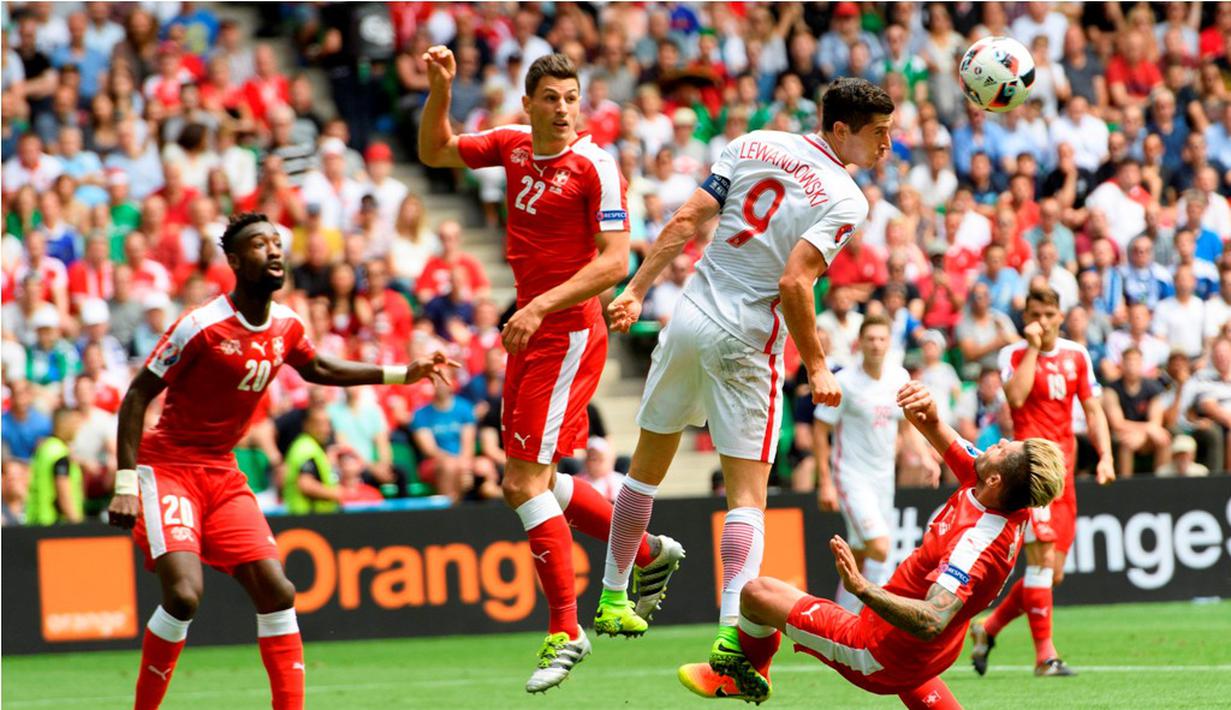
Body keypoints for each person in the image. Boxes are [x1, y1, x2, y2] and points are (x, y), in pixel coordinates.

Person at [594, 77, 894, 692]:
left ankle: (612, 595)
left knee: (644, 469)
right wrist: (814, 364)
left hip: (688, 318)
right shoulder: (844, 196)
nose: (887, 144)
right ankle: (733, 633)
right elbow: (793, 284)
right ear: (841, 130)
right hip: (746, 341)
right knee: (747, 498)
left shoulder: (754, 143)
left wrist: (636, 289)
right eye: (878, 133)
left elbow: (687, 218)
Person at [105, 213, 457, 710]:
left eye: (277, 243)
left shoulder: (287, 324)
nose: (273, 251)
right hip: (170, 469)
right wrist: (125, 483)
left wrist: (403, 372)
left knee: (278, 591)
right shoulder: (201, 326)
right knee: (184, 595)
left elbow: (318, 367)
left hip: (222, 471)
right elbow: (136, 398)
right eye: (258, 245)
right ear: (233, 261)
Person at [418, 49, 682, 692]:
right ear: (529, 104)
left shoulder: (595, 165)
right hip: (532, 330)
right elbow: (436, 152)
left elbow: (615, 261)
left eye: (572, 97)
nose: (563, 109)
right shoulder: (510, 145)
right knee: (538, 478)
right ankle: (648, 552)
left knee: (521, 483)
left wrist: (536, 306)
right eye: (552, 98)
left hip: (564, 333)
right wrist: (440, 88)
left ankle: (565, 628)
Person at [700, 381, 1066, 707]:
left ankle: (746, 673)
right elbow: (935, 427)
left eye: (1004, 449)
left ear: (997, 480)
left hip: (876, 651)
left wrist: (862, 588)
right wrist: (923, 406)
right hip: (928, 655)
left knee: (755, 593)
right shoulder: (997, 492)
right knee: (912, 665)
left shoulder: (975, 543)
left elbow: (931, 619)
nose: (999, 442)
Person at [972, 286, 1115, 678]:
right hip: (1031, 473)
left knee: (1052, 573)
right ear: (1026, 318)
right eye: (1035, 314)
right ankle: (1045, 657)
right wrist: (1033, 348)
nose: (1043, 322)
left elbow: (1092, 409)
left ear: (1060, 315)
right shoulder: (1013, 354)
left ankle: (988, 628)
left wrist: (1105, 456)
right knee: (1041, 562)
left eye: (1050, 314)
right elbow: (1015, 399)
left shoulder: (1077, 354)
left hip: (1064, 476)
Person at [813, 315, 938, 613]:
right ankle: (875, 617)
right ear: (859, 343)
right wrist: (826, 482)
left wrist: (925, 457)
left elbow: (906, 427)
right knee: (881, 547)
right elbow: (821, 430)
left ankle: (840, 617)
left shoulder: (899, 378)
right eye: (870, 339)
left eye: (882, 339)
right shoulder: (844, 382)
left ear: (889, 343)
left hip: (884, 479)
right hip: (851, 477)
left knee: (859, 554)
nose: (876, 345)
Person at [25, 408, 85, 526]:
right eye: (75, 424)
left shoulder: (45, 448)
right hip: (55, 524)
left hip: (37, 519)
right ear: (65, 425)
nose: (78, 429)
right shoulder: (59, 454)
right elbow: (64, 495)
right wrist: (78, 524)